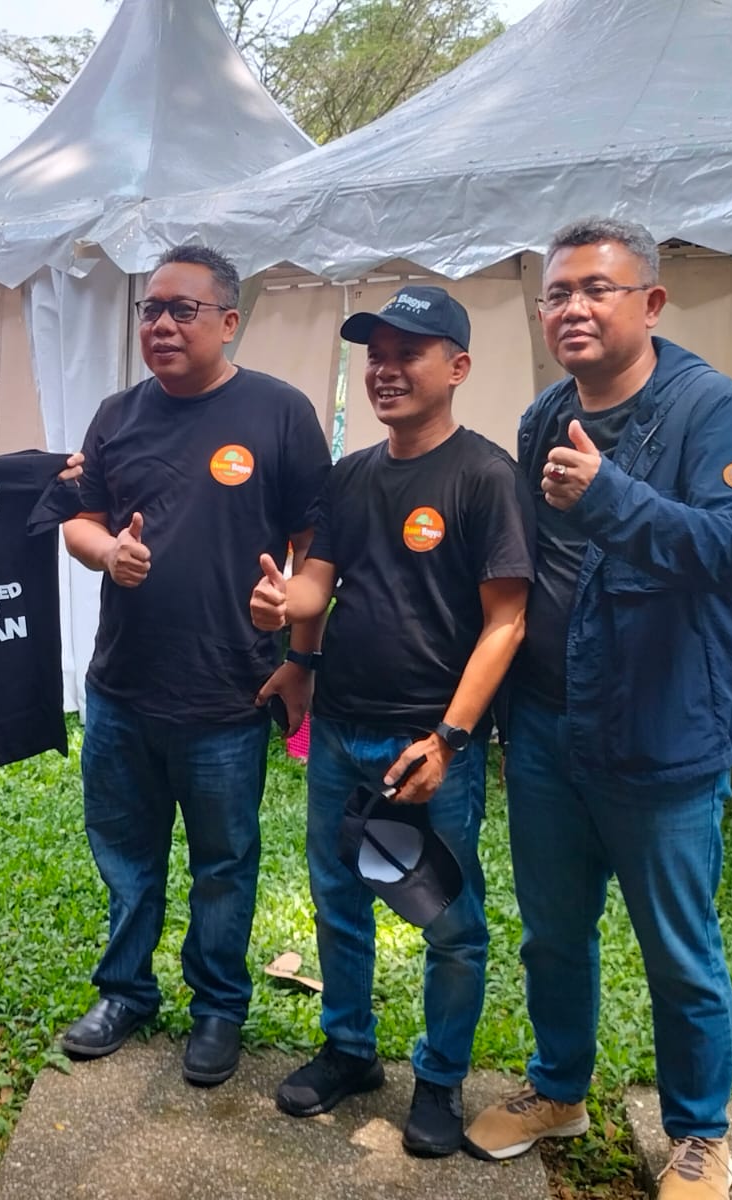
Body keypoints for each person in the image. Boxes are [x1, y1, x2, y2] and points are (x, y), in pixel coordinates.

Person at [463, 218, 732, 1200]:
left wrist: (611, 500)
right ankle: (559, 1088)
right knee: (552, 933)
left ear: (649, 302)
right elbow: (529, 564)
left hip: (663, 738)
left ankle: (698, 1133)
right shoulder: (541, 414)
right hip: (551, 731)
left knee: (677, 951)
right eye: (556, 293)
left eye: (596, 289)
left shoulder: (711, 411)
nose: (572, 308)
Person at [249, 285, 534, 1156]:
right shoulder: (350, 475)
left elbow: (507, 621)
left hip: (425, 743)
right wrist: (280, 617)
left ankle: (440, 1081)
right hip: (341, 729)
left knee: (448, 920)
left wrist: (450, 739)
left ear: (457, 367)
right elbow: (316, 586)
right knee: (340, 901)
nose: (386, 369)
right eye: (374, 354)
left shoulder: (486, 476)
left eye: (408, 352)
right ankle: (349, 1050)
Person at [58, 244, 331, 1087]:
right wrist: (109, 554)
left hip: (228, 693)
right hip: (122, 689)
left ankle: (217, 1007)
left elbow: (317, 549)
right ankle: (124, 992)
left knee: (223, 864)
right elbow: (80, 521)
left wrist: (295, 631)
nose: (162, 324)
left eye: (183, 309)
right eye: (150, 309)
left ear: (228, 321)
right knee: (126, 855)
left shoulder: (280, 414)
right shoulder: (116, 414)